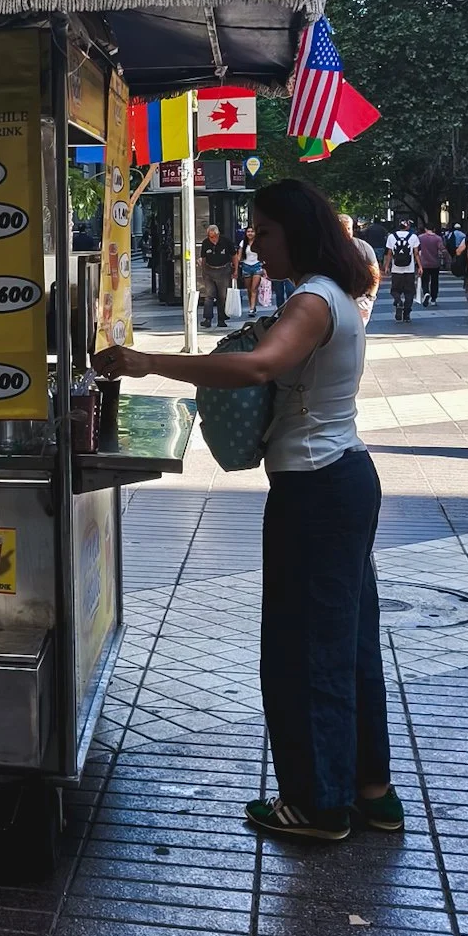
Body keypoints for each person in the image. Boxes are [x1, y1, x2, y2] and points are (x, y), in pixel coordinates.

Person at [98, 178, 393, 841]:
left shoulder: (313, 301)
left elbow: (260, 366)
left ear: (299, 232)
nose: (252, 244)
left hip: (315, 488)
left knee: (304, 647)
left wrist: (147, 360)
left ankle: (317, 806)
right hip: (342, 475)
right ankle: (371, 791)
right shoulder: (331, 294)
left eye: (263, 231)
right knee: (347, 643)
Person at [337, 214, 381, 327]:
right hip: (337, 299)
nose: (347, 232)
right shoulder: (328, 247)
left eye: (348, 228)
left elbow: (375, 273)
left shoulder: (364, 247)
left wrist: (370, 297)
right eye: (343, 229)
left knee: (358, 330)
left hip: (361, 299)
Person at [199, 224, 235, 329]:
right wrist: (204, 270)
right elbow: (203, 257)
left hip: (223, 271)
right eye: (210, 237)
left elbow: (234, 255)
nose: (212, 239)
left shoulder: (226, 241)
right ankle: (207, 319)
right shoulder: (205, 243)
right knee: (209, 295)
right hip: (209, 271)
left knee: (222, 296)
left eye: (214, 237)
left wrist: (235, 270)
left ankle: (221, 319)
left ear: (218, 234)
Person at [385, 217, 418, 323]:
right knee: (409, 292)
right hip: (409, 269)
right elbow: (416, 253)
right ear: (407, 226)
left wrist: (386, 266)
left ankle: (398, 301)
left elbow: (389, 253)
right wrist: (420, 266)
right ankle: (407, 314)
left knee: (395, 290)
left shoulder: (391, 237)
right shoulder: (413, 237)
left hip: (396, 269)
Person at [416, 222, 445, 306]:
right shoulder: (438, 238)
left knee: (425, 280)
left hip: (423, 263)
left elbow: (416, 250)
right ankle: (433, 298)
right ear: (434, 229)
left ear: (425, 229)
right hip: (435, 263)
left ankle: (426, 292)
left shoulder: (420, 238)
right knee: (434, 281)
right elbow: (442, 249)